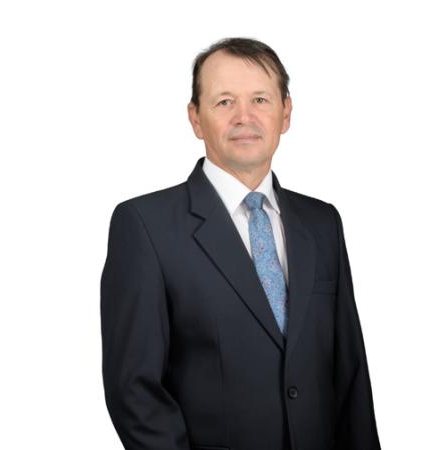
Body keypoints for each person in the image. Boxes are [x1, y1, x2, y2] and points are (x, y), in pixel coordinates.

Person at [100, 37, 381, 450]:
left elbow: (350, 372)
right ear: (196, 119)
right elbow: (134, 391)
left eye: (260, 100)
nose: (244, 117)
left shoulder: (322, 223)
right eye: (224, 102)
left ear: (286, 113)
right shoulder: (144, 226)